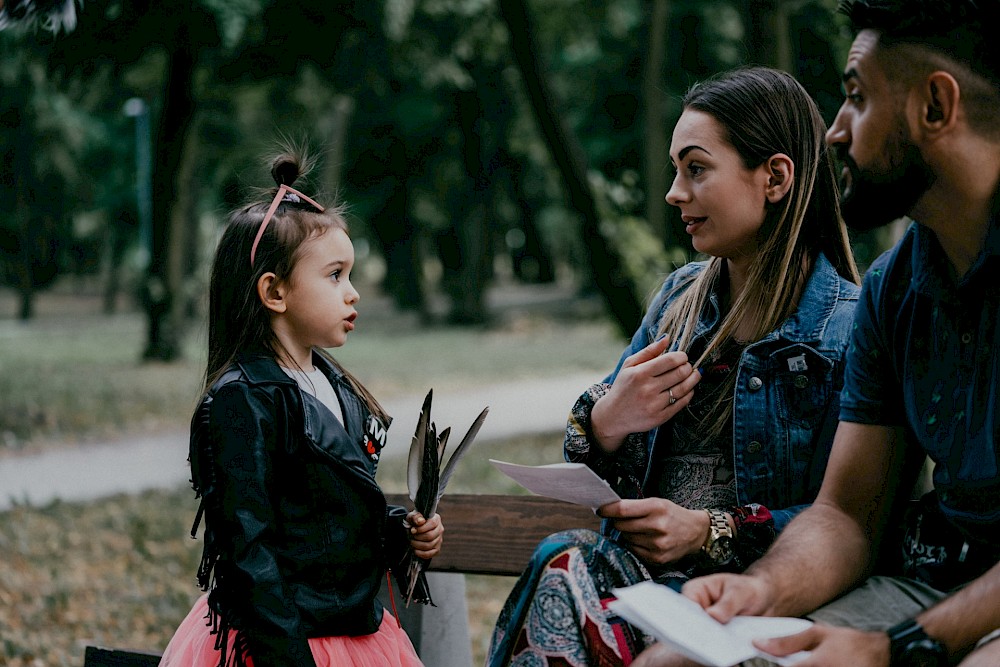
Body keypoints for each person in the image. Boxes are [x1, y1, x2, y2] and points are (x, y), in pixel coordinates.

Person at [636, 1, 1000, 666]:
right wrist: (757, 589)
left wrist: (899, 649)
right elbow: (846, 516)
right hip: (932, 586)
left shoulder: (842, 308)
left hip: (961, 620)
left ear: (936, 106)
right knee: (674, 661)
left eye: (857, 98)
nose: (834, 131)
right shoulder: (896, 288)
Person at [485, 66, 861, 667]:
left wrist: (706, 529)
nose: (674, 192)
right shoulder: (677, 301)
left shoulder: (847, 330)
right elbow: (589, 458)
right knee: (565, 562)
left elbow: (847, 516)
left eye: (696, 168)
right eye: (674, 169)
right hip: (639, 588)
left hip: (750, 601)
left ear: (775, 177)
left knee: (568, 571)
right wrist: (607, 419)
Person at [157, 151, 443, 667]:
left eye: (350, 274)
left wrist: (400, 531)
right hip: (283, 644)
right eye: (335, 275)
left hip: (357, 630)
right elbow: (250, 553)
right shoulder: (243, 400)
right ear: (274, 291)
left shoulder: (338, 386)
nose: (353, 293)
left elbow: (327, 516)